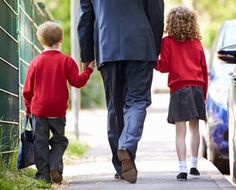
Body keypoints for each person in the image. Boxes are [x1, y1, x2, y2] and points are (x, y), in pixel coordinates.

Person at [78, 0, 164, 183]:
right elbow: (156, 13)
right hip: (141, 46)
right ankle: (126, 147)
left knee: (115, 106)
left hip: (107, 46)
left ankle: (120, 166)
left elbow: (86, 17)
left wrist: (86, 55)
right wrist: (154, 49)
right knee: (137, 101)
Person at [23, 21, 95, 183]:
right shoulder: (66, 61)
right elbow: (77, 82)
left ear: (41, 41)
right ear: (61, 40)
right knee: (59, 140)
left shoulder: (35, 62)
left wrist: (28, 108)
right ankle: (55, 165)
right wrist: (88, 70)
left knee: (40, 142)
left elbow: (27, 89)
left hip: (39, 110)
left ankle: (43, 175)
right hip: (58, 110)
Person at [155, 6, 208, 181]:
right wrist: (204, 94)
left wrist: (152, 61)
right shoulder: (197, 43)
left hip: (179, 89)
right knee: (195, 128)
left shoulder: (167, 42)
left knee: (180, 131)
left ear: (171, 22)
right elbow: (204, 70)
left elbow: (163, 67)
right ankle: (194, 165)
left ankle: (182, 169)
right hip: (197, 88)